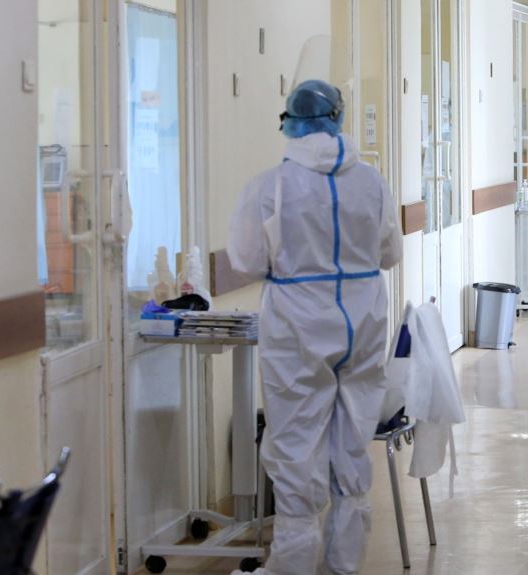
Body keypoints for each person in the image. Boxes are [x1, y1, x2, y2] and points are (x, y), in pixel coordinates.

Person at [227, 79, 402, 575]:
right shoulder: (371, 181)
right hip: (363, 320)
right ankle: (343, 566)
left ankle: (292, 566)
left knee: (295, 443)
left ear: (291, 123)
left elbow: (246, 260)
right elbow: (390, 252)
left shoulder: (271, 186)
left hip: (298, 326)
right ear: (338, 118)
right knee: (353, 438)